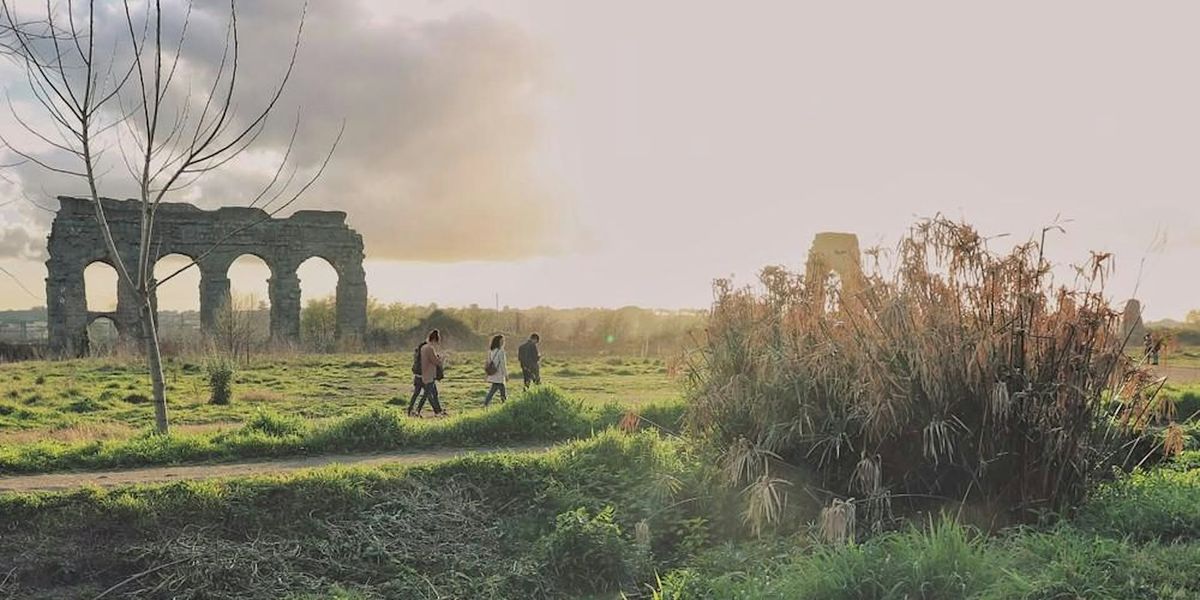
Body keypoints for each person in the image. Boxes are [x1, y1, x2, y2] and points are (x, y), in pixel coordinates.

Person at [412, 329, 448, 417]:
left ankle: (438, 411)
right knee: (426, 395)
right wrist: (441, 359)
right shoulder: (429, 348)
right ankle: (418, 411)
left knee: (434, 393)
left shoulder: (423, 347)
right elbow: (435, 361)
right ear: (435, 339)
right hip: (428, 375)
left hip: (427, 374)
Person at [483, 334, 508, 407]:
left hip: (493, 373)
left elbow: (488, 362)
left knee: (498, 389)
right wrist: (506, 375)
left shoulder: (491, 351)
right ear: (499, 342)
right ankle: (486, 403)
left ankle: (504, 403)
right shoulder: (501, 352)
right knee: (497, 389)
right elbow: (503, 364)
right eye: (502, 341)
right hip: (499, 374)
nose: (503, 342)